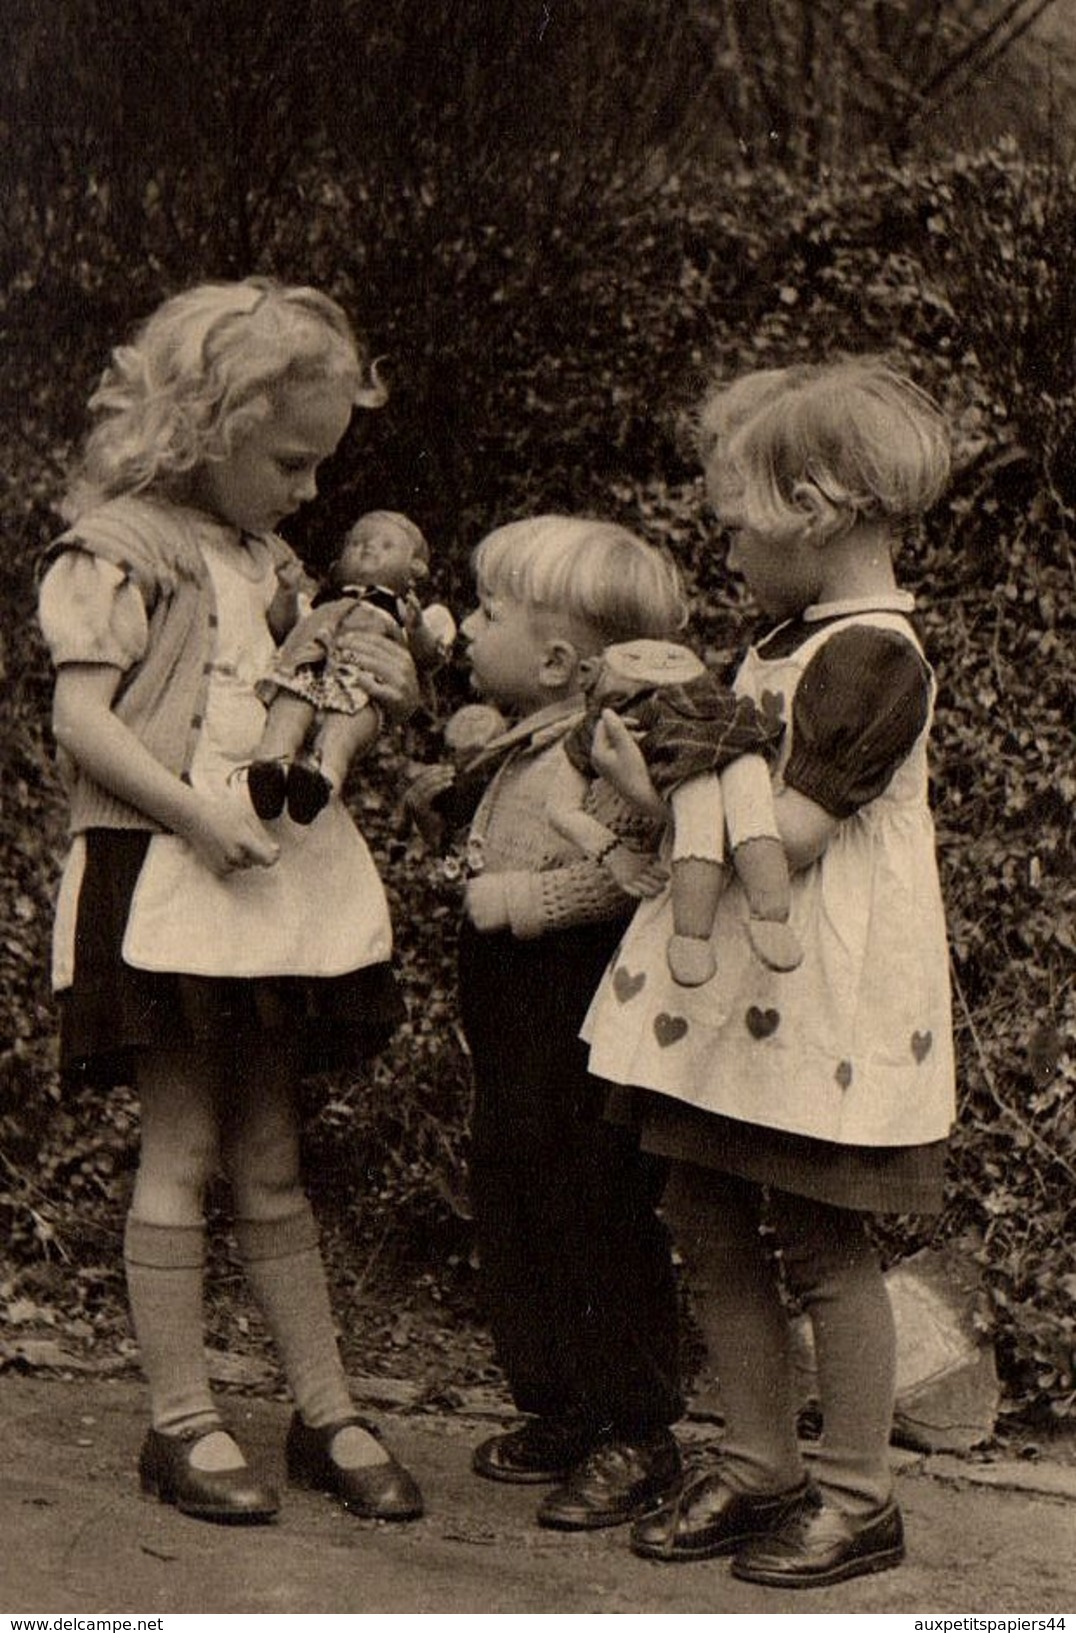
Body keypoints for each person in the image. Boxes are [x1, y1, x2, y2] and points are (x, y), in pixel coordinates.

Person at [37, 277, 425, 1526]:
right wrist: (197, 814)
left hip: (266, 887)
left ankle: (322, 1405)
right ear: (203, 430)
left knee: (270, 1150)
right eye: (292, 462)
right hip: (165, 872)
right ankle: (181, 1417)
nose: (311, 492)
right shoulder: (120, 550)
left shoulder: (275, 561)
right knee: (184, 1145)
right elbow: (81, 719)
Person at [581, 359, 956, 1586]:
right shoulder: (776, 641)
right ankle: (756, 1462)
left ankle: (856, 1493)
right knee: (702, 1212)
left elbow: (783, 839)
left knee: (818, 1234)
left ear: (814, 503)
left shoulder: (870, 659)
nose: (725, 539)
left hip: (815, 988)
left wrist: (653, 785)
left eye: (739, 513)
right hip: (729, 987)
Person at [406, 516, 687, 1532]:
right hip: (506, 1008)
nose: (468, 627)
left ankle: (637, 1427)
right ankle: (558, 1404)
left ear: (560, 658)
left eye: (487, 612)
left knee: (594, 1200)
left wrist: (525, 901)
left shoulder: (605, 751)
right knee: (514, 1190)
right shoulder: (519, 739)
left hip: (577, 1000)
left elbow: (636, 872)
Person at [550, 636, 802, 985]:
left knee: (749, 794)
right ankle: (691, 937)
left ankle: (772, 917)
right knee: (701, 808)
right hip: (682, 770)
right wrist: (615, 853)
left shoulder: (708, 693)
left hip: (736, 743)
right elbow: (559, 808)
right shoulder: (602, 723)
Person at [249, 509, 456, 823]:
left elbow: (427, 660)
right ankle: (270, 769)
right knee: (287, 711)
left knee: (343, 733)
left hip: (361, 685)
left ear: (414, 569)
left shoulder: (406, 611)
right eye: (357, 543)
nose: (368, 548)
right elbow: (285, 629)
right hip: (308, 671)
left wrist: (416, 630)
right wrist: (287, 594)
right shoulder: (322, 600)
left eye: (386, 545)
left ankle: (320, 781)